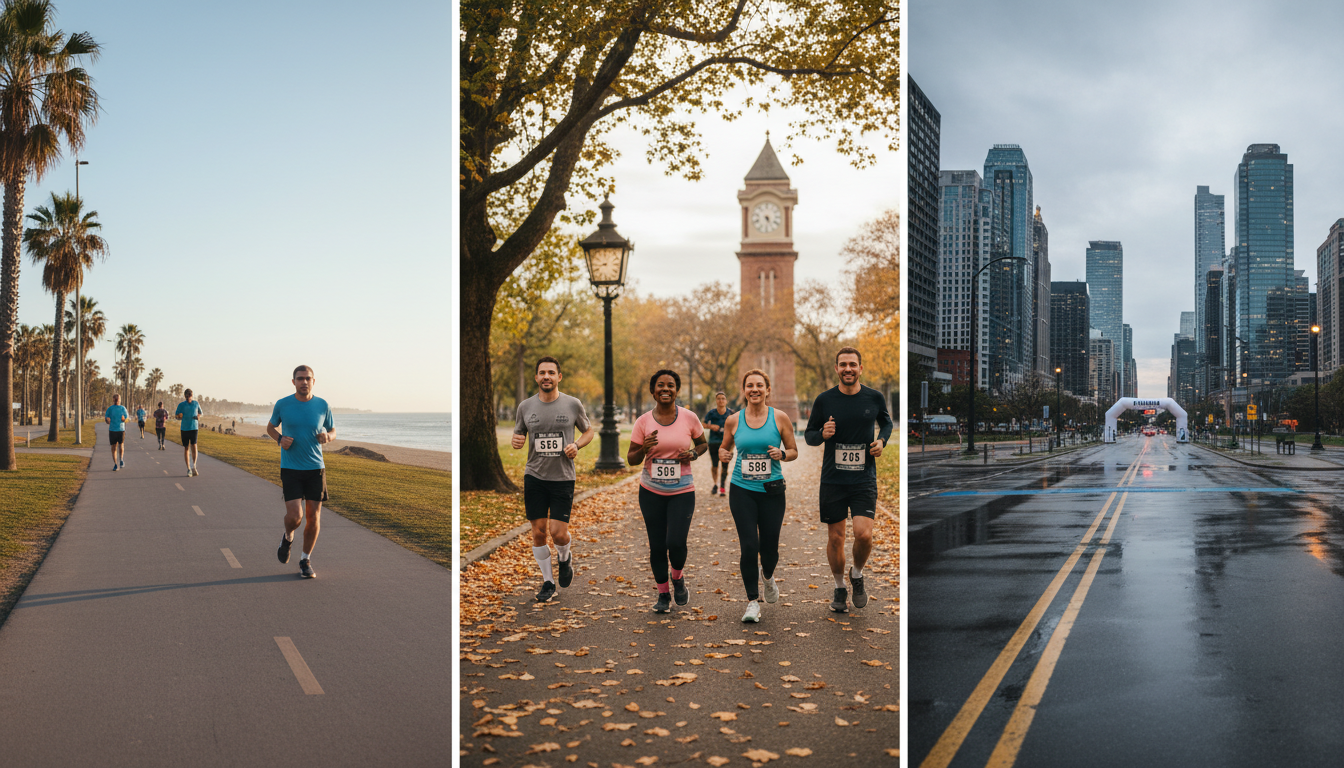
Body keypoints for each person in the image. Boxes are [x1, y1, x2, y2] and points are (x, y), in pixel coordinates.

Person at [804, 347, 893, 613]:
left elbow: (887, 424)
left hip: (864, 478)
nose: (848, 369)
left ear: (860, 368)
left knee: (864, 535)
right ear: (836, 368)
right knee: (836, 538)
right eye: (843, 365)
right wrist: (823, 433)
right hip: (833, 479)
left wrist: (881, 441)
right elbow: (809, 436)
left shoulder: (874, 397)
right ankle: (840, 586)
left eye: (852, 364)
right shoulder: (824, 400)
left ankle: (857, 574)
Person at [511, 356, 595, 602]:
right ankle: (548, 582)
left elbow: (588, 431)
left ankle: (565, 556)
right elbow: (519, 435)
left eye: (551, 372)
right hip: (534, 475)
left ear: (559, 377)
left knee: (558, 533)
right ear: (536, 378)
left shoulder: (572, 404)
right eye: (542, 373)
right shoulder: (525, 407)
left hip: (562, 477)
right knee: (538, 532)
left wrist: (577, 445)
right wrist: (517, 441)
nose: (546, 376)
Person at [717, 369, 797, 622]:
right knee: (749, 546)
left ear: (767, 390)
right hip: (742, 490)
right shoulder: (733, 420)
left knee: (770, 547)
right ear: (744, 390)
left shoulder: (780, 418)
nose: (754, 389)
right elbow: (723, 447)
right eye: (750, 385)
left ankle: (768, 576)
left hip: (772, 491)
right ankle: (752, 601)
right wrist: (723, 455)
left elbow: (793, 450)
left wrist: (782, 455)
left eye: (759, 385)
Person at [628, 369, 707, 613]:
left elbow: (703, 444)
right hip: (651, 491)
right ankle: (663, 594)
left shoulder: (689, 417)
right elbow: (631, 458)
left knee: (676, 542)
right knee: (657, 545)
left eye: (670, 385)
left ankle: (678, 578)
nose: (665, 389)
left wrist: (693, 453)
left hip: (682, 491)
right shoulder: (643, 421)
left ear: (676, 390)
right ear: (653, 391)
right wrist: (644, 449)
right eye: (660, 385)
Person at [266, 365, 336, 579]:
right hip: (291, 468)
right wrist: (279, 439)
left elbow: (333, 430)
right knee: (296, 516)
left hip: (316, 468)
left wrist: (328, 437)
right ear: (293, 381)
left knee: (313, 518)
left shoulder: (323, 405)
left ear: (314, 381)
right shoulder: (283, 404)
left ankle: (305, 559)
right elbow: (270, 427)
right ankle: (288, 537)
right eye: (300, 378)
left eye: (308, 378)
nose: (304, 382)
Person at [703, 392, 733, 497]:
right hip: (714, 442)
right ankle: (715, 484)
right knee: (715, 466)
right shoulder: (711, 413)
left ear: (726, 401)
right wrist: (711, 427)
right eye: (719, 399)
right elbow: (702, 424)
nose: (721, 400)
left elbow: (737, 426)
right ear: (716, 400)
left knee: (725, 466)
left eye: (723, 398)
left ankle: (723, 487)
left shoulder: (731, 413)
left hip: (727, 444)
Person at [175, 389, 204, 477]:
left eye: (190, 395)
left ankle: (193, 466)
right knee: (186, 448)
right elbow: (177, 416)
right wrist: (179, 417)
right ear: (185, 396)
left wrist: (198, 417)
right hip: (184, 428)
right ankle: (188, 469)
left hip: (194, 428)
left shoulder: (196, 403)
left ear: (192, 395)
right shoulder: (181, 405)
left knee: (194, 446)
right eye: (187, 395)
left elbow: (200, 413)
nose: (189, 397)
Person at [104, 394, 128, 471]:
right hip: (112, 430)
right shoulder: (110, 409)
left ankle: (121, 459)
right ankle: (115, 464)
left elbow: (127, 418)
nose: (116, 400)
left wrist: (124, 419)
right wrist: (107, 420)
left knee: (121, 445)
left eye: (118, 399)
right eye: (115, 399)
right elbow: (106, 418)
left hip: (121, 429)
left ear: (120, 400)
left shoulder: (123, 408)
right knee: (113, 447)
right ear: (113, 399)